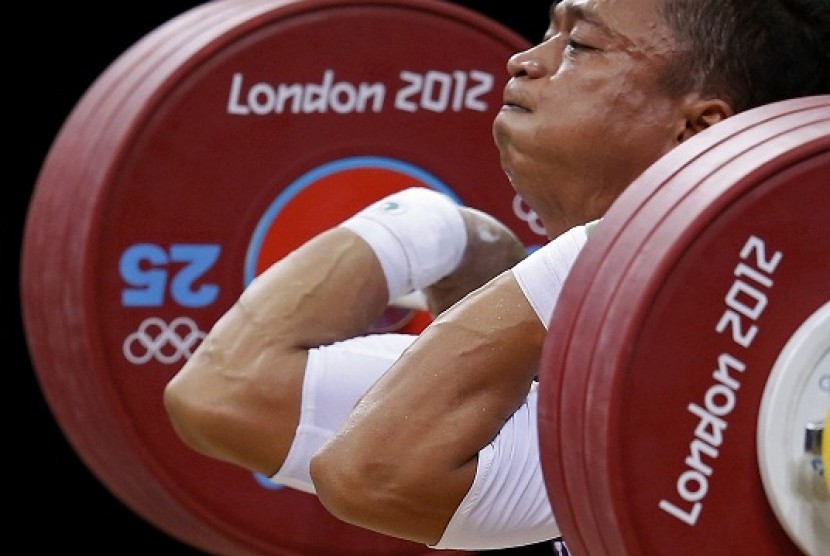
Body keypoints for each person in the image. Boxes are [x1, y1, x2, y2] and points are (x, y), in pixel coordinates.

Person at [163, 0, 829, 551]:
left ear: (698, 127)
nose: (525, 60)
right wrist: (434, 229)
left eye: (581, 47)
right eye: (549, 31)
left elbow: (373, 471)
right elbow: (225, 395)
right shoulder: (594, 399)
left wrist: (632, 243)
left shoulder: (758, 343)